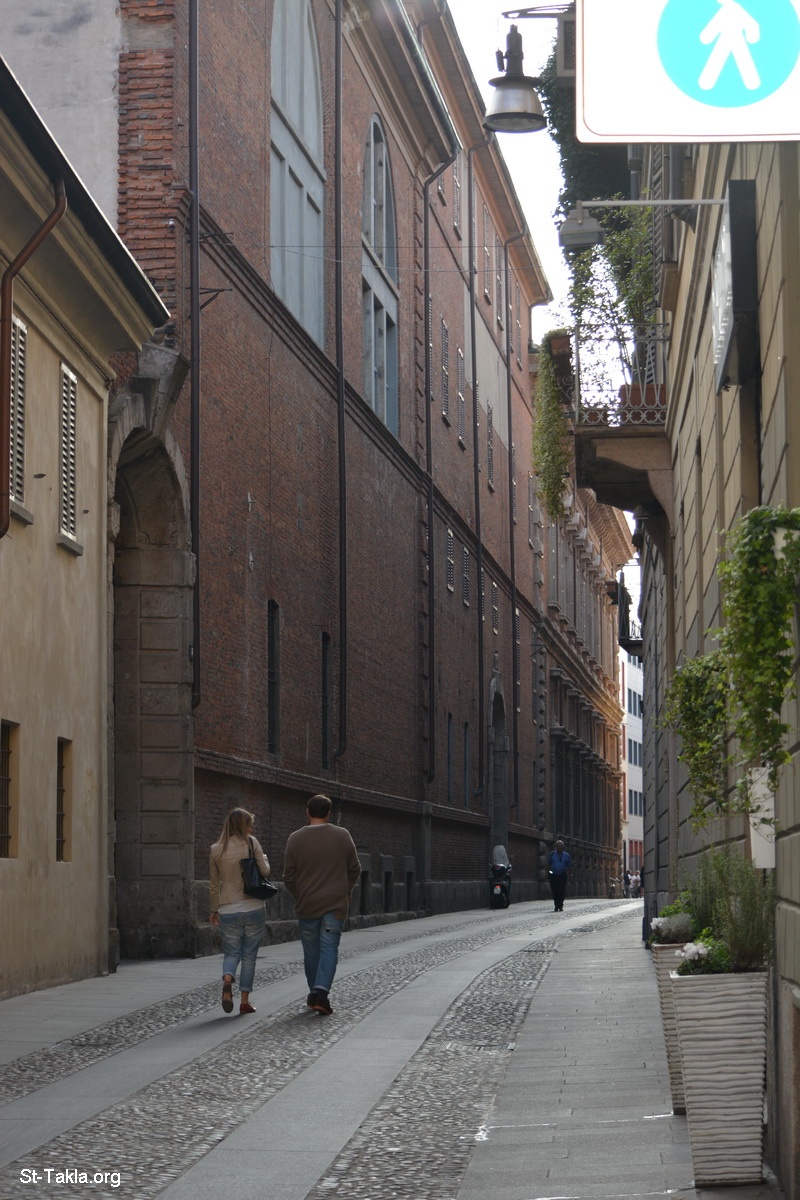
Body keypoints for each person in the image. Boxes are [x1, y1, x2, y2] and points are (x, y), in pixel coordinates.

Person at [283, 793, 361, 1016]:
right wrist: (344, 891)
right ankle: (321, 992)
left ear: (307, 812)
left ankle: (314, 992)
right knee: (328, 948)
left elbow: (288, 877)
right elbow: (355, 869)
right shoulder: (342, 836)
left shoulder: (295, 839)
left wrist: (300, 894)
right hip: (334, 906)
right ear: (328, 814)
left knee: (311, 952)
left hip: (307, 905)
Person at [209, 807, 271, 1015]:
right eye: (249, 825)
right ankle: (244, 1001)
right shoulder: (251, 843)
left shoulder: (216, 849)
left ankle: (228, 979)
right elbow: (265, 871)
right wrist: (265, 858)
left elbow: (214, 884)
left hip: (228, 908)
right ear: (244, 826)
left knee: (231, 952)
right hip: (253, 906)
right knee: (249, 955)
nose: (251, 829)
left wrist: (213, 910)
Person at [548, 839, 572, 911]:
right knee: (555, 890)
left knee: (561, 890)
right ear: (556, 847)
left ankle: (560, 905)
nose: (560, 847)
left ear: (563, 847)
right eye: (558, 846)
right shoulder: (552, 854)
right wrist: (548, 873)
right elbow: (548, 864)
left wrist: (570, 874)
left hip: (562, 875)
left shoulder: (566, 855)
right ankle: (556, 905)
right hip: (554, 875)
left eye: (561, 846)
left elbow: (569, 866)